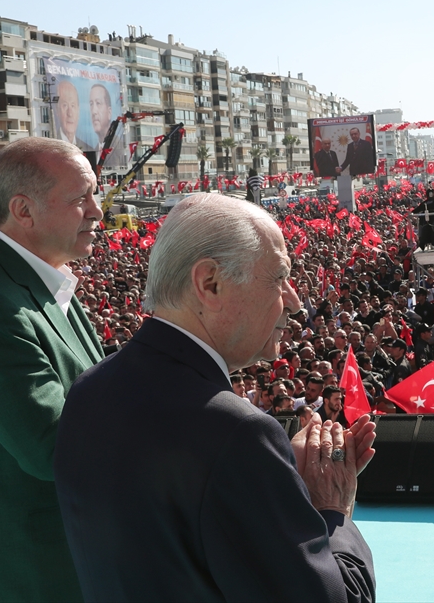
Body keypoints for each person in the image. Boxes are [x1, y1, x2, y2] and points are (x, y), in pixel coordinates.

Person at [53, 193, 376, 601]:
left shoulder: (89, 388)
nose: (294, 301)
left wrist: (276, 483)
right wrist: (333, 509)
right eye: (278, 278)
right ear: (210, 283)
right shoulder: (237, 434)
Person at [0, 138, 105, 602]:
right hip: (30, 573)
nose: (97, 212)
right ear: (23, 211)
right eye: (79, 198)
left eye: (95, 194)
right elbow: (52, 444)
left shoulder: (49, 282)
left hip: (71, 559)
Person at [87, 83, 124, 168]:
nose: (94, 111)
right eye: (91, 104)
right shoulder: (94, 149)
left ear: (109, 112)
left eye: (98, 103)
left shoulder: (118, 146)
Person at [54, 80, 92, 150]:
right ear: (57, 111)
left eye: (73, 105)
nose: (70, 113)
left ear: (78, 110)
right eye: (65, 105)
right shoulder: (52, 146)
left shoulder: (87, 147)